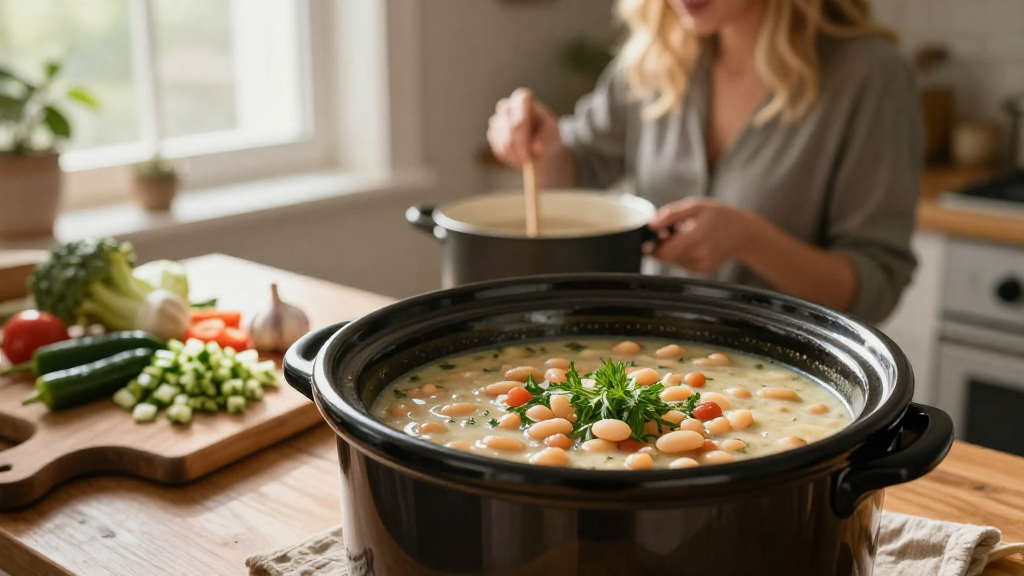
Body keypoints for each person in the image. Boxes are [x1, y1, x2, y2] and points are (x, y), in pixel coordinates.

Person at [487, 0, 922, 324]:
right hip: (649, 361)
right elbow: (576, 169)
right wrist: (539, 144)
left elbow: (874, 287)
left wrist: (750, 239)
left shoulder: (869, 75)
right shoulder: (655, 57)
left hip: (785, 383)